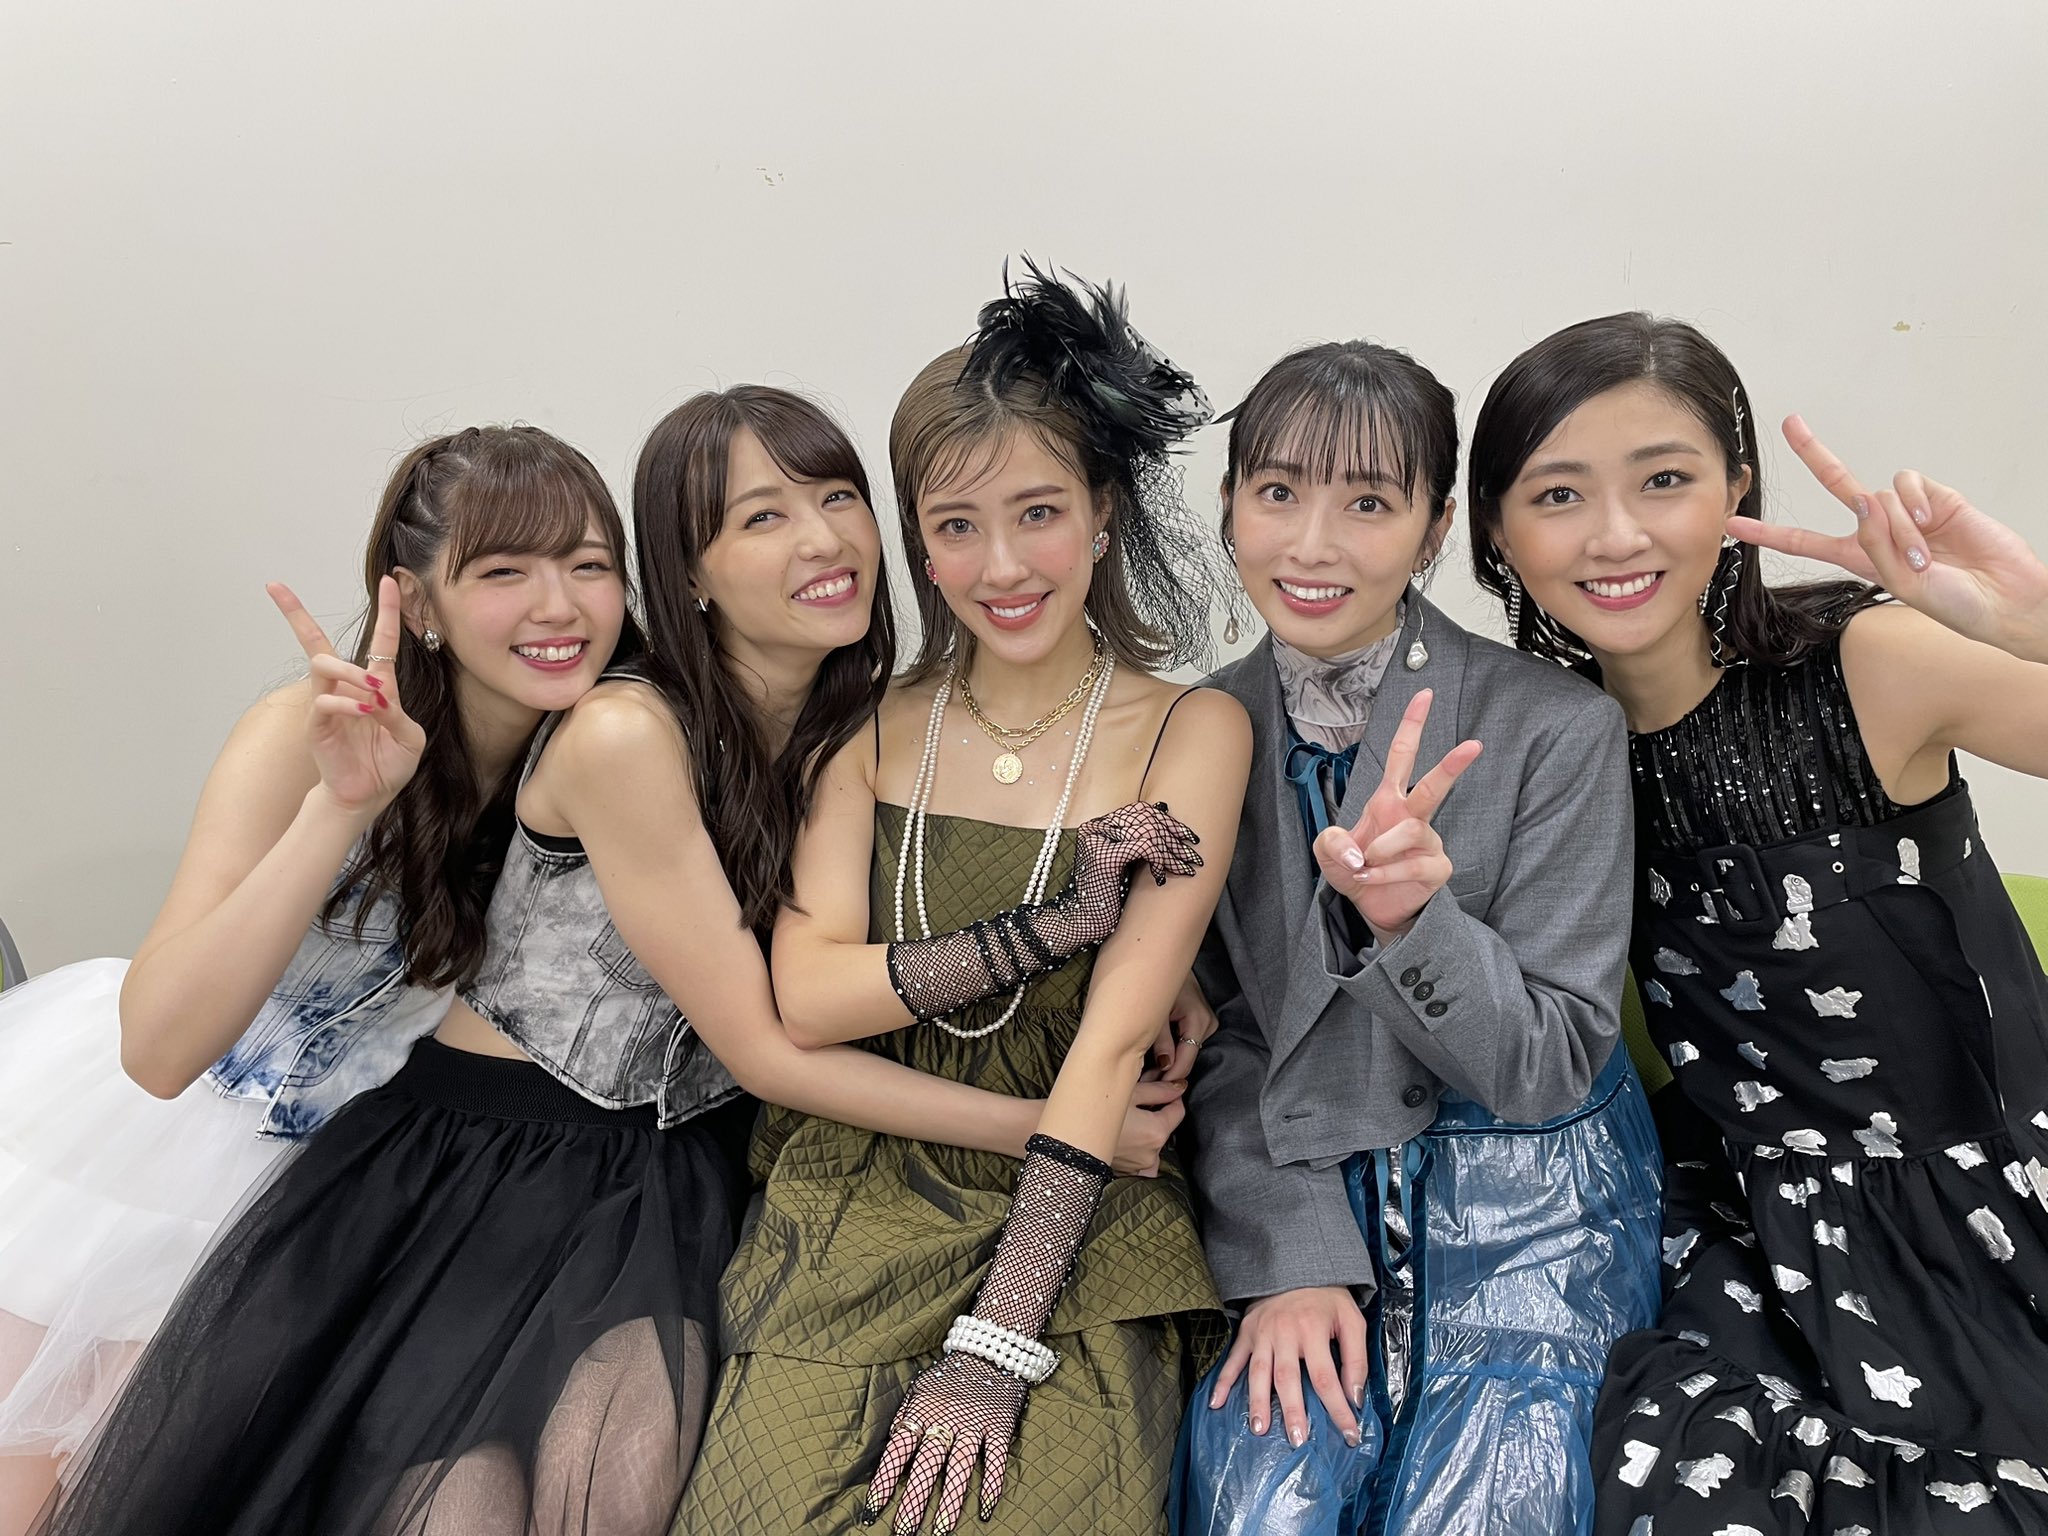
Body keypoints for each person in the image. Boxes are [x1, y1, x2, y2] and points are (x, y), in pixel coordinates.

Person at [36, 386, 1179, 1536]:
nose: (821, 538)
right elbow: (766, 1041)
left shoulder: (856, 728)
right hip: (436, 1145)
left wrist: (1162, 968)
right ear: (688, 571)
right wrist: (1055, 1128)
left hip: (666, 1165)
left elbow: (910, 924)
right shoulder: (611, 730)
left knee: (615, 1479)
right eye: (761, 516)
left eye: (837, 498)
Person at [675, 267, 1252, 1536]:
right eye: (954, 526)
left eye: (1037, 512)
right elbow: (807, 997)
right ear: (918, 541)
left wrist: (993, 1348)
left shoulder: (1192, 731)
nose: (1000, 566)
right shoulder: (867, 725)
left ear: (1100, 515)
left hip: (1078, 1217)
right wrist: (1055, 926)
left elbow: (1111, 1045)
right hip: (849, 1203)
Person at [1466, 311, 2048, 1532]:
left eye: (1662, 480)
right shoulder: (1540, 752)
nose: (1614, 535)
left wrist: (2028, 624)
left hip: (1990, 1214)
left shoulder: (1868, 662)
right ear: (1496, 533)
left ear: (1734, 488)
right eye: (1557, 494)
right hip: (1745, 1235)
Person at [0, 424, 626, 1534]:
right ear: (417, 602)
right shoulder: (305, 730)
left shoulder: (607, 750)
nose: (558, 605)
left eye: (588, 564)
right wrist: (342, 806)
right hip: (165, 1147)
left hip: (364, 1185)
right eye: (503, 571)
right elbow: (159, 1053)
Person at [1170, 339, 1663, 1535]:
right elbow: (1221, 1038)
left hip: (1528, 1205)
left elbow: (1548, 1062)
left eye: (1368, 503)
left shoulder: (1555, 729)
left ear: (1435, 525)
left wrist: (1411, 923)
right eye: (1276, 492)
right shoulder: (1197, 730)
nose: (1312, 545)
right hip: (1303, 1181)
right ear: (1228, 505)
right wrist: (1288, 1256)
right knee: (1255, 1506)